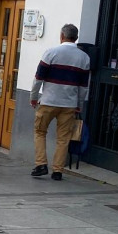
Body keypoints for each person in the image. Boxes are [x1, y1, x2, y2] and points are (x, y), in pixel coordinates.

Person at [30, 24, 91, 181]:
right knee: (63, 138)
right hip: (69, 104)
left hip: (49, 101)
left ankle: (41, 164)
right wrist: (79, 105)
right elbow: (83, 86)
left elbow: (38, 78)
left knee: (40, 131)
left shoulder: (51, 52)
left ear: (61, 36)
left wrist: (34, 97)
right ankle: (57, 170)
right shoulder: (84, 58)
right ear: (76, 38)